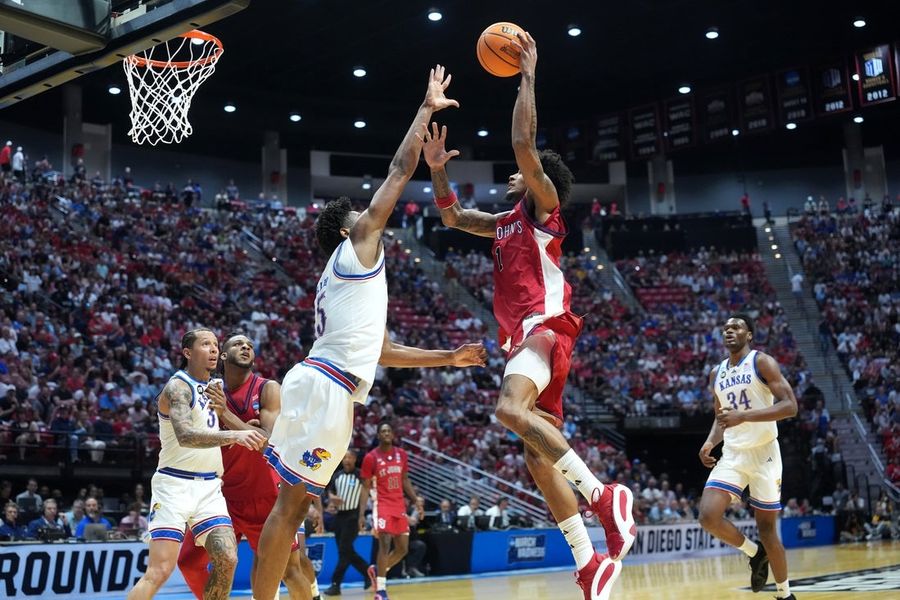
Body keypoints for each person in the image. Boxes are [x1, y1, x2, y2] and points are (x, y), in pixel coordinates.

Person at [253, 65, 484, 600]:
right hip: (328, 389)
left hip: (321, 378)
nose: (369, 215)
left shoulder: (345, 281)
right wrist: (426, 108)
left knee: (288, 509)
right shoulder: (356, 243)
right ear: (345, 227)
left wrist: (448, 358)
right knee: (289, 511)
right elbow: (399, 170)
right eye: (360, 214)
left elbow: (384, 353)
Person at [423, 31, 632, 599]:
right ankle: (589, 562)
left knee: (508, 410)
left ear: (540, 179)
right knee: (537, 456)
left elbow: (521, 140)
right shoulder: (507, 222)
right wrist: (437, 168)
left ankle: (601, 496)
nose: (515, 171)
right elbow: (453, 219)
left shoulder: (543, 207)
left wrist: (527, 75)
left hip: (546, 327)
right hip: (526, 339)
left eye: (526, 169)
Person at [126, 328, 267, 600]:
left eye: (215, 344)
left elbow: (211, 435)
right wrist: (235, 435)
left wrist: (238, 430)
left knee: (227, 557)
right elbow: (187, 436)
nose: (213, 349)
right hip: (175, 485)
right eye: (205, 344)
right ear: (188, 352)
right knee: (160, 571)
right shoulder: (178, 387)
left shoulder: (214, 387)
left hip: (210, 488)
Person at [177, 333, 315, 600]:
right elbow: (193, 439)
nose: (246, 347)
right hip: (220, 497)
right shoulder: (208, 390)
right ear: (224, 355)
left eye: (250, 345)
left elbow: (267, 442)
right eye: (238, 344)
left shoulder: (267, 388)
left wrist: (226, 417)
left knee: (288, 570)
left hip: (265, 496)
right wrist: (240, 432)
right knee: (189, 562)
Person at [697, 314, 798, 600]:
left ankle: (784, 594)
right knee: (707, 516)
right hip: (732, 454)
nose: (730, 331)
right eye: (726, 328)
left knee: (767, 529)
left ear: (749, 334)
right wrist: (710, 441)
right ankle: (754, 554)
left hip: (765, 453)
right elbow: (722, 418)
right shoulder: (716, 373)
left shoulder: (761, 362)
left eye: (737, 327)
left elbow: (790, 406)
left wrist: (745, 416)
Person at [359, 422, 417, 597]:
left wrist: (416, 501)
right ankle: (381, 590)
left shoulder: (401, 455)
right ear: (378, 435)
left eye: (388, 431)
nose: (386, 433)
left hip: (399, 505)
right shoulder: (371, 458)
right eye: (382, 431)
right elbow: (365, 487)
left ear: (393, 435)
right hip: (382, 504)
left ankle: (377, 570)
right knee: (384, 545)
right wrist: (361, 513)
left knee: (402, 549)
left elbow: (405, 480)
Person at [323, 450, 371, 596]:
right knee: (345, 551)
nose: (347, 460)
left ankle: (335, 584)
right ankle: (368, 572)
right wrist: (332, 498)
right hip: (340, 516)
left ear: (355, 459)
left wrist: (361, 515)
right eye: (344, 457)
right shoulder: (337, 475)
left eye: (349, 457)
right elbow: (329, 492)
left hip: (353, 515)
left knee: (345, 550)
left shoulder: (360, 475)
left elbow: (364, 496)